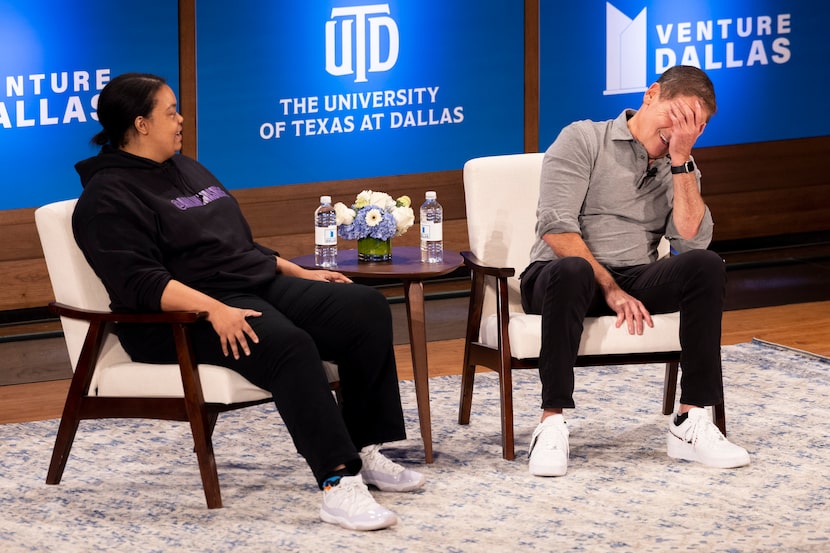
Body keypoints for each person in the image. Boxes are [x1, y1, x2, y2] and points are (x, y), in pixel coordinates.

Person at [72, 72, 424, 531]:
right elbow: (142, 283)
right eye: (170, 111)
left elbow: (231, 243)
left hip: (248, 286)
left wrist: (295, 269)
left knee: (363, 309)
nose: (181, 120)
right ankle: (338, 482)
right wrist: (216, 310)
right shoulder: (106, 198)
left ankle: (364, 447)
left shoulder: (185, 168)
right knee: (288, 345)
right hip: (176, 319)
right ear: (140, 124)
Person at [520, 65, 750, 477]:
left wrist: (681, 162)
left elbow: (693, 241)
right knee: (573, 270)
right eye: (675, 116)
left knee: (706, 266)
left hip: (636, 274)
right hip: (558, 275)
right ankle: (551, 423)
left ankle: (690, 419)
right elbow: (556, 227)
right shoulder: (583, 138)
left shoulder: (680, 166)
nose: (679, 130)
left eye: (692, 126)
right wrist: (609, 287)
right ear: (651, 94)